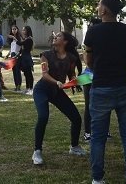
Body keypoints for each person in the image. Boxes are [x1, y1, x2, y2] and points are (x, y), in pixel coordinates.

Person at [83, 0, 126, 184]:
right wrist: (124, 64)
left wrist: (101, 65)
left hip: (101, 87)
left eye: (99, 4)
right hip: (125, 86)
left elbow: (89, 61)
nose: (97, 7)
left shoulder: (93, 32)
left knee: (98, 137)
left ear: (105, 10)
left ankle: (97, 179)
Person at [32, 31, 85, 166]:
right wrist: (57, 82)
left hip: (57, 92)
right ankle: (37, 151)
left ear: (65, 41)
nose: (55, 37)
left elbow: (71, 74)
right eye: (55, 37)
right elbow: (44, 74)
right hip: (42, 90)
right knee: (43, 117)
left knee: (76, 118)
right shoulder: (46, 55)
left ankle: (74, 147)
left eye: (59, 36)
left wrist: (74, 82)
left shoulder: (71, 58)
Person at [82, 17, 101, 141]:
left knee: (103, 105)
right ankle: (88, 132)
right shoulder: (88, 41)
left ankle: (104, 130)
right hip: (89, 75)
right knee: (89, 104)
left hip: (101, 75)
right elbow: (87, 61)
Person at [18, 26, 35, 95]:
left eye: (24, 30)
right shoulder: (26, 39)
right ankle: (27, 88)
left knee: (29, 74)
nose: (23, 31)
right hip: (24, 57)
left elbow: (19, 43)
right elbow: (22, 49)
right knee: (26, 74)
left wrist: (14, 38)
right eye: (22, 30)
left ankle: (31, 88)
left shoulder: (29, 39)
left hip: (27, 58)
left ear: (27, 31)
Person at [7, 24, 23, 92]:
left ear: (17, 30)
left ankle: (19, 85)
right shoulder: (11, 39)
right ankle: (16, 85)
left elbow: (20, 45)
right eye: (12, 29)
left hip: (17, 56)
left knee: (17, 71)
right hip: (12, 55)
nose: (13, 30)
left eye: (15, 29)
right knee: (14, 71)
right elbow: (12, 48)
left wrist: (14, 38)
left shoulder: (19, 38)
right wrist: (8, 54)